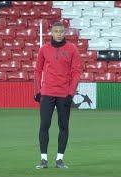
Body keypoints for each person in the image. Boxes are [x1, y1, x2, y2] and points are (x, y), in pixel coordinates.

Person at [34, 22, 82, 169]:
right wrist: (37, 90)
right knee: (44, 125)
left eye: (61, 31)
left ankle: (59, 160)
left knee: (63, 126)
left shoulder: (72, 49)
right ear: (51, 33)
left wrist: (70, 93)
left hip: (64, 94)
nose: (59, 34)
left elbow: (76, 72)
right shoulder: (44, 49)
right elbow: (37, 70)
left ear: (65, 32)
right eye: (56, 31)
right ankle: (43, 160)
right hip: (47, 93)